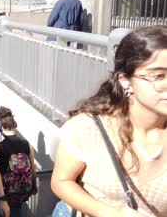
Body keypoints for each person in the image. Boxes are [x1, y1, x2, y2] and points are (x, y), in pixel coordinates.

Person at [51, 25, 167, 217]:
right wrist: (109, 213)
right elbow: (61, 181)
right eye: (159, 76)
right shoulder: (89, 127)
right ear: (125, 81)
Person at [0, 107, 37, 217]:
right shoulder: (26, 144)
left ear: (0, 127)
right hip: (21, 191)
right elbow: (33, 168)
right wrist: (34, 186)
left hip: (4, 192)